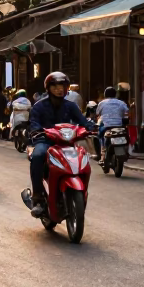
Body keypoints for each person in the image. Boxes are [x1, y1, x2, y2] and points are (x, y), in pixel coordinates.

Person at [26, 72, 93, 217]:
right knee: (38, 155)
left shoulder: (71, 106)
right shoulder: (39, 106)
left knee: (82, 157)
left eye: (62, 86)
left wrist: (91, 128)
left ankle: (80, 191)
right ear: (48, 88)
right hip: (45, 141)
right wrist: (36, 131)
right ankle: (37, 197)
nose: (59, 89)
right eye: (55, 86)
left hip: (66, 142)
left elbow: (83, 121)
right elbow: (34, 123)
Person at [95, 86, 130, 160]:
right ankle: (126, 150)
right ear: (115, 94)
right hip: (119, 126)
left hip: (106, 126)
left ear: (105, 95)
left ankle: (102, 154)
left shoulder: (102, 103)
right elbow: (126, 113)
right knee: (126, 135)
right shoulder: (121, 103)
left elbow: (97, 113)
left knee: (100, 136)